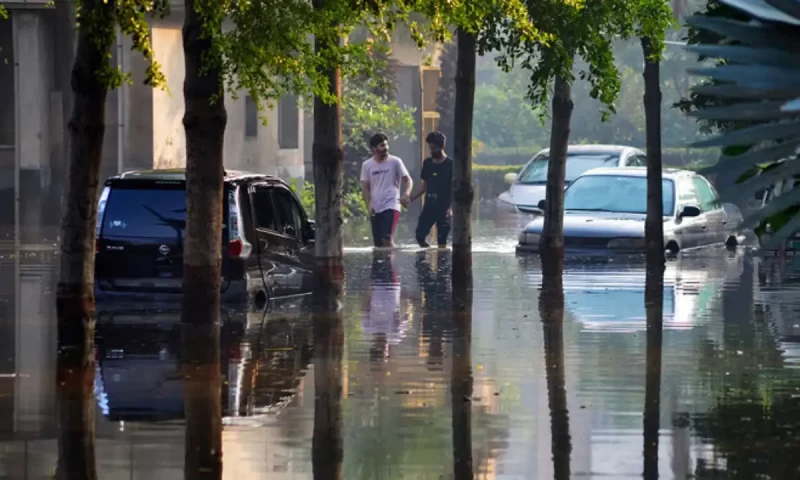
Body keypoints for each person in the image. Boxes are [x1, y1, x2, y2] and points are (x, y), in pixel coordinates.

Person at [360, 133, 412, 247]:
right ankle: (389, 257)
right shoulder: (367, 165)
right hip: (376, 207)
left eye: (387, 145)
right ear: (374, 149)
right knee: (378, 244)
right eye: (382, 145)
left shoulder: (395, 161)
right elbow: (365, 188)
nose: (386, 148)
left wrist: (406, 194)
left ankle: (392, 259)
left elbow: (407, 180)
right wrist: (368, 205)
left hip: (391, 205)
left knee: (386, 239)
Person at [409, 131, 453, 248]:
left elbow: (454, 189)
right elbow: (424, 186)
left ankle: (442, 257)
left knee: (442, 239)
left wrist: (451, 208)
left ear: (441, 147)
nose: (431, 151)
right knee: (419, 235)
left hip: (444, 207)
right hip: (429, 206)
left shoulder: (451, 164)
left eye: (434, 148)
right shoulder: (427, 163)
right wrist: (411, 198)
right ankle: (427, 253)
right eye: (430, 148)